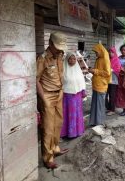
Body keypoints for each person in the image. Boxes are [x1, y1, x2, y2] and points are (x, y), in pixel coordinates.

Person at [36, 32, 68, 169]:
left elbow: (60, 75)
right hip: (47, 96)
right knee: (48, 128)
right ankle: (47, 157)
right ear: (50, 43)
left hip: (59, 93)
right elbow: (36, 80)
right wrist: (43, 99)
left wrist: (61, 91)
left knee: (58, 124)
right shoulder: (42, 59)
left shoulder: (60, 56)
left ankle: (55, 148)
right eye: (57, 47)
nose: (60, 49)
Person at [60, 52, 86, 138]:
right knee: (68, 114)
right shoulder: (63, 70)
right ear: (67, 59)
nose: (72, 60)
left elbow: (82, 82)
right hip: (67, 96)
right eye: (70, 59)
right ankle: (67, 133)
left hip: (77, 96)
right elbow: (60, 83)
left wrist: (83, 91)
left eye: (74, 59)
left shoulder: (78, 69)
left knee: (77, 114)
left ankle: (77, 132)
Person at [89, 43, 111, 126]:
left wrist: (95, 71)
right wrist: (92, 70)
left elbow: (107, 73)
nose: (96, 54)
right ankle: (94, 122)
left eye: (96, 52)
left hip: (101, 86)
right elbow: (97, 70)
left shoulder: (105, 59)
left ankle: (99, 123)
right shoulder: (98, 59)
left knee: (100, 105)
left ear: (101, 51)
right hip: (96, 85)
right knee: (95, 104)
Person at [105, 47, 121, 116]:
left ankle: (112, 110)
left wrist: (112, 70)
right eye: (109, 52)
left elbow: (118, 69)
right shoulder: (108, 59)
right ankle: (109, 108)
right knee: (107, 94)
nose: (110, 53)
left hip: (114, 80)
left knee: (112, 95)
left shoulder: (117, 60)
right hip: (108, 80)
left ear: (114, 53)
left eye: (112, 52)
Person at [116, 44, 125, 116]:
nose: (123, 51)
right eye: (122, 50)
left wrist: (124, 69)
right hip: (120, 78)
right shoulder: (119, 58)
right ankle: (124, 110)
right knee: (121, 94)